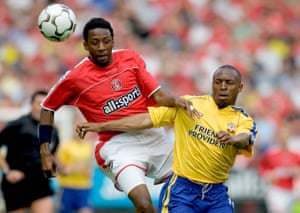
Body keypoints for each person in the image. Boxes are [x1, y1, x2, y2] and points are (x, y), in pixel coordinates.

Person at [38, 17, 197, 213]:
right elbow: (47, 108)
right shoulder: (74, 78)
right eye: (95, 42)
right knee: (145, 206)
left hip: (152, 135)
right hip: (118, 146)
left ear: (113, 41)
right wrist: (45, 151)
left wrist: (176, 100)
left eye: (106, 41)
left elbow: (158, 96)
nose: (102, 47)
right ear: (85, 45)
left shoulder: (130, 59)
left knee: (194, 188)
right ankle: (121, 175)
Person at [76, 65, 258, 213]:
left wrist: (233, 139)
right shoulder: (190, 105)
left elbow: (246, 138)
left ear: (240, 87)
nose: (223, 87)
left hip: (216, 193)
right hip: (183, 191)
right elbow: (146, 119)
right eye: (218, 82)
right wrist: (101, 125)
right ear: (212, 84)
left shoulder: (242, 119)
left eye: (229, 83)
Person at [0, 90, 60, 213]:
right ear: (31, 105)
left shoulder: (52, 130)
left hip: (40, 182)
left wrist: (61, 168)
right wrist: (7, 171)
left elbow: (53, 155)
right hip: (16, 183)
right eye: (39, 103)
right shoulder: (17, 125)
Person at [259, 113, 300, 213]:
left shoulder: (295, 153)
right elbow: (262, 170)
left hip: (292, 191)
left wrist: (296, 171)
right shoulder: (271, 153)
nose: (283, 136)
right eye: (281, 134)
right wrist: (269, 176)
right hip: (276, 191)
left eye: (286, 133)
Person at [55, 135, 94, 213]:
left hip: (84, 187)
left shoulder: (89, 147)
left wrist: (73, 168)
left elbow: (89, 171)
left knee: (86, 209)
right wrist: (78, 168)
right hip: (67, 187)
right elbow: (63, 170)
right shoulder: (66, 147)